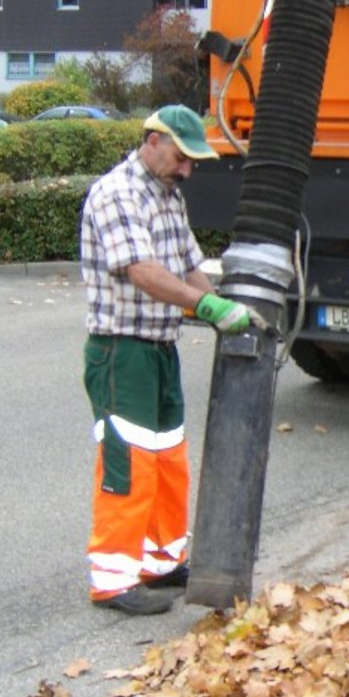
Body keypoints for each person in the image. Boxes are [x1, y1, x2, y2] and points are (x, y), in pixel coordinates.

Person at [79, 104, 252, 615]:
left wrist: (222, 304)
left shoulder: (167, 197)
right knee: (127, 464)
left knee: (168, 460)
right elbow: (144, 272)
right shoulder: (117, 194)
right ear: (152, 141)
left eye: (192, 162)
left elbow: (187, 265)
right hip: (121, 351)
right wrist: (205, 305)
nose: (187, 170)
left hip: (159, 349)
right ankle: (112, 579)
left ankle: (159, 563)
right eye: (181, 158)